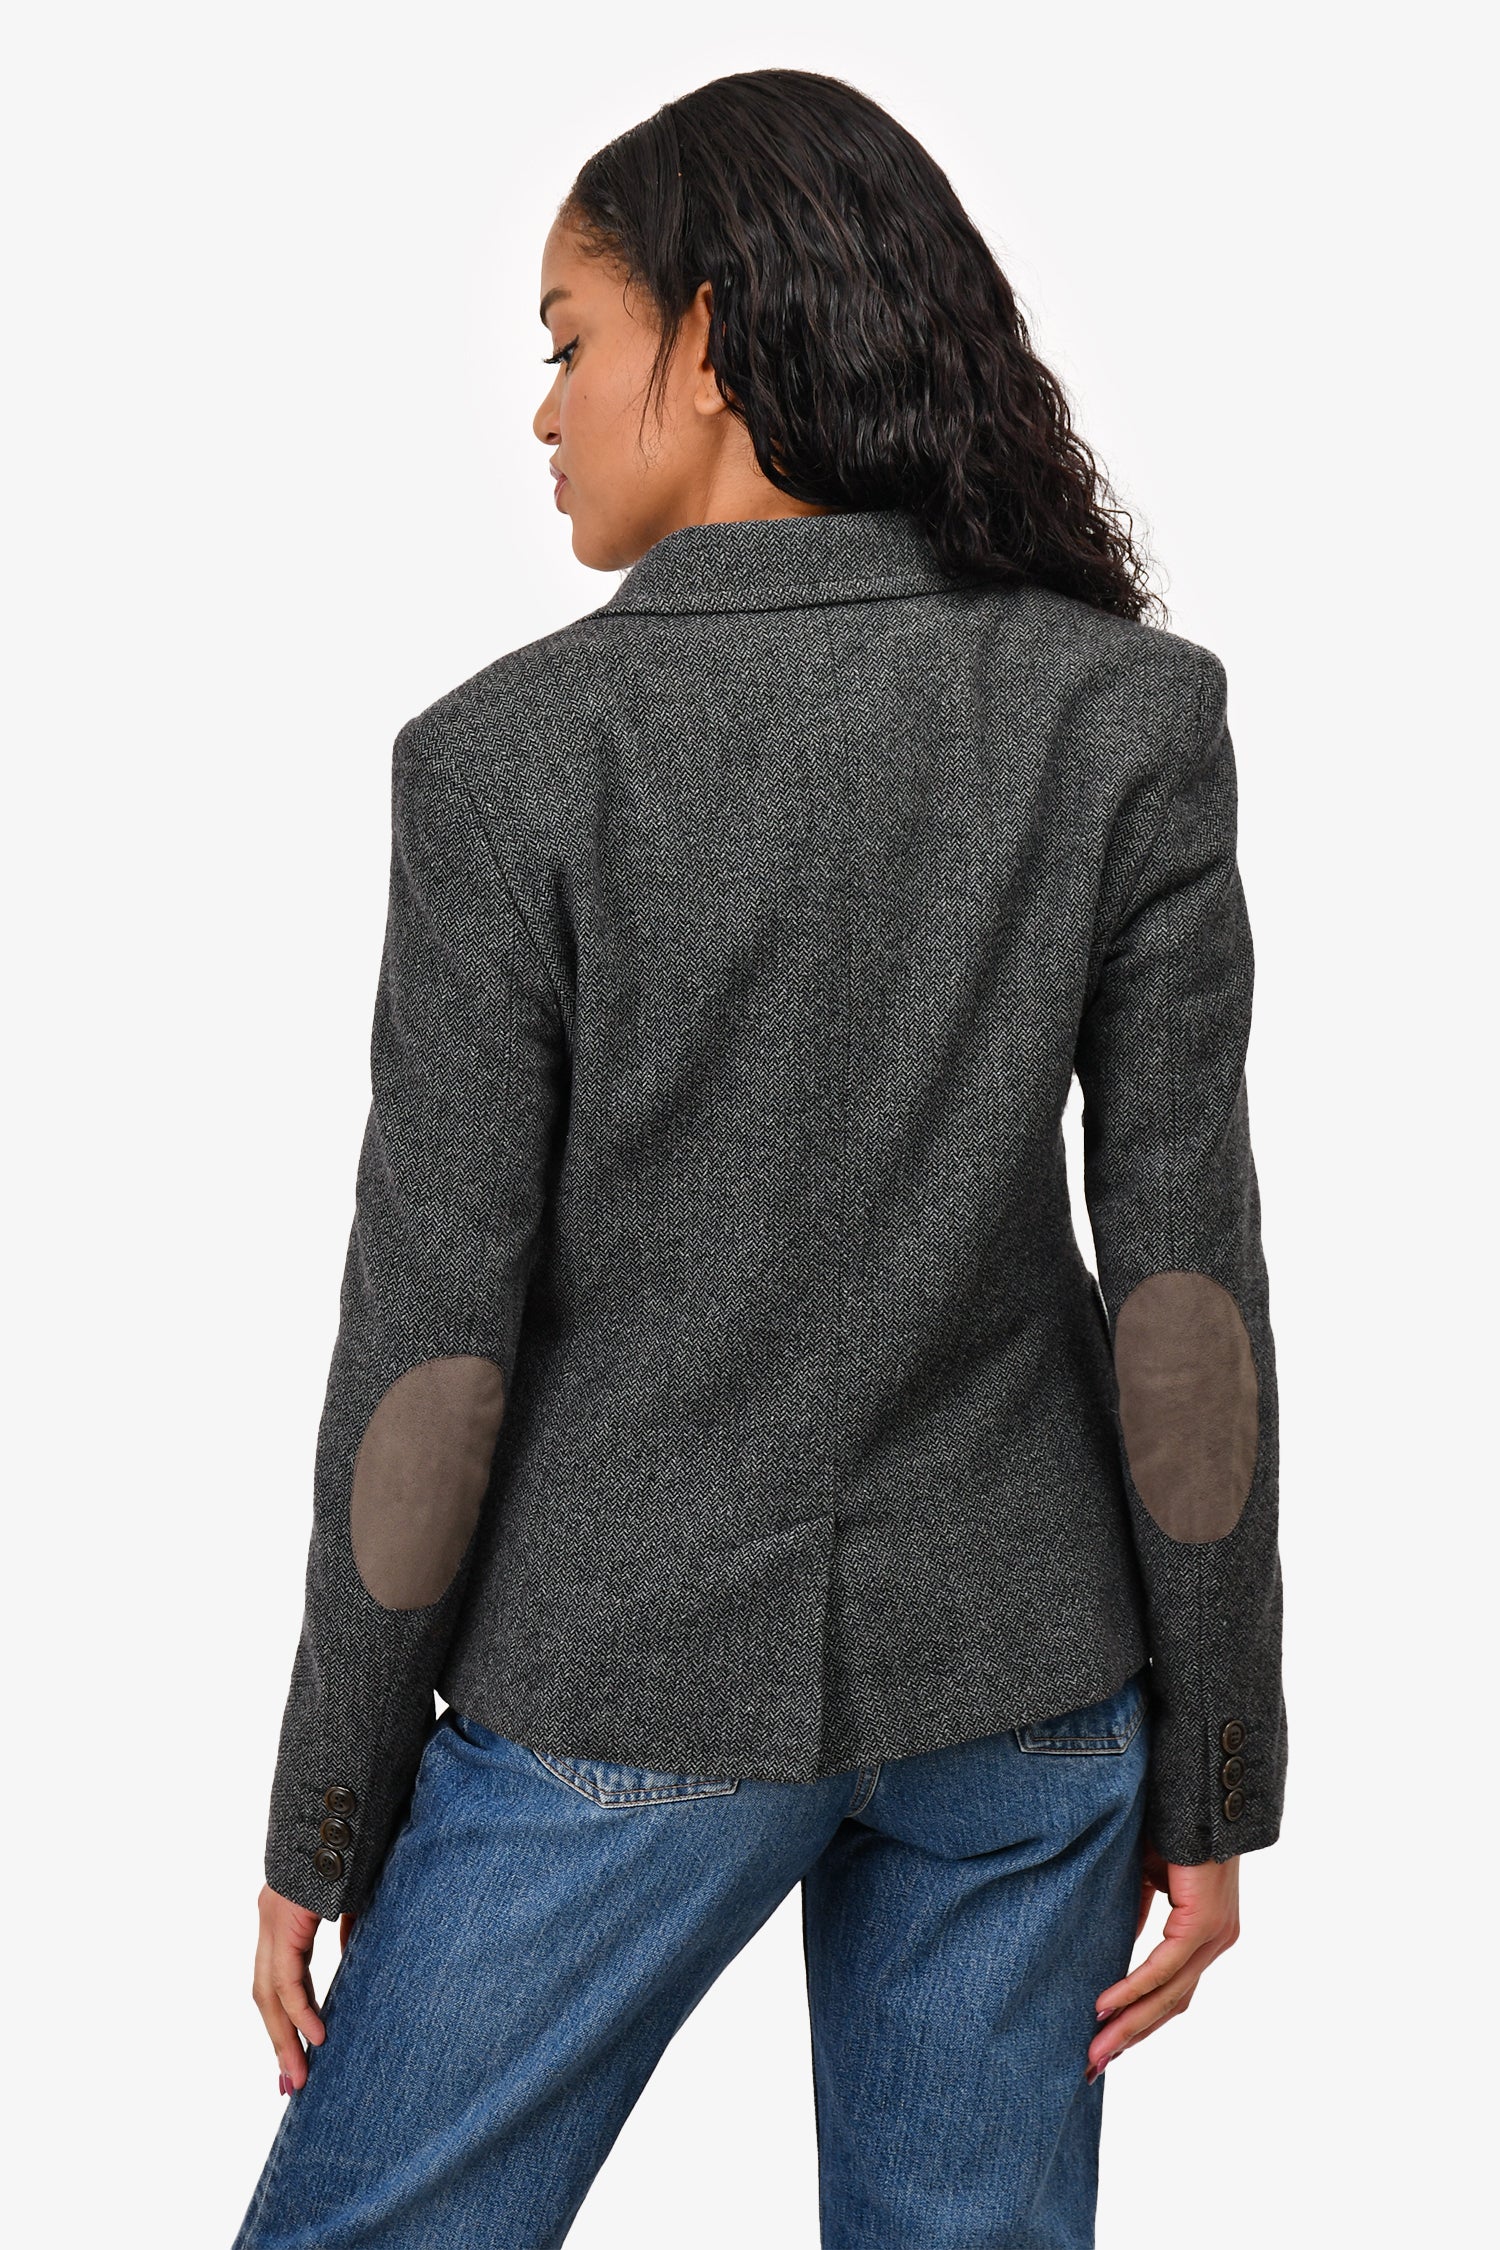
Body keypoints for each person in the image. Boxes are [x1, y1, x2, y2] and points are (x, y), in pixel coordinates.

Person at [233, 65, 1286, 2250]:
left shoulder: (506, 766)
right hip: (1030, 1697)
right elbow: (1185, 1300)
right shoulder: (1124, 719)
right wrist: (1212, 1767)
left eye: (568, 342)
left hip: (620, 1680)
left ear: (706, 343)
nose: (544, 412)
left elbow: (432, 1352)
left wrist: (327, 1809)